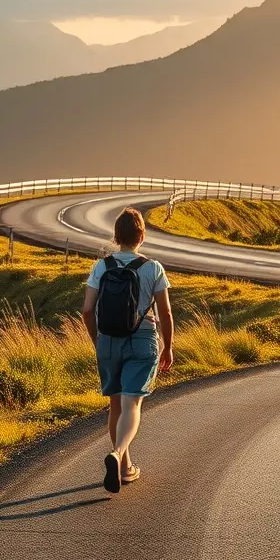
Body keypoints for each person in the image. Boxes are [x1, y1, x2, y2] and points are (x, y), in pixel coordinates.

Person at [81, 207, 174, 493]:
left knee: (116, 405)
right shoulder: (153, 267)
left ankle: (123, 468)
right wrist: (168, 348)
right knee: (132, 404)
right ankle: (119, 454)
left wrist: (99, 343)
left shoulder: (101, 266)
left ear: (116, 236)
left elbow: (86, 310)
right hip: (142, 338)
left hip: (109, 340)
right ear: (141, 236)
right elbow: (166, 313)